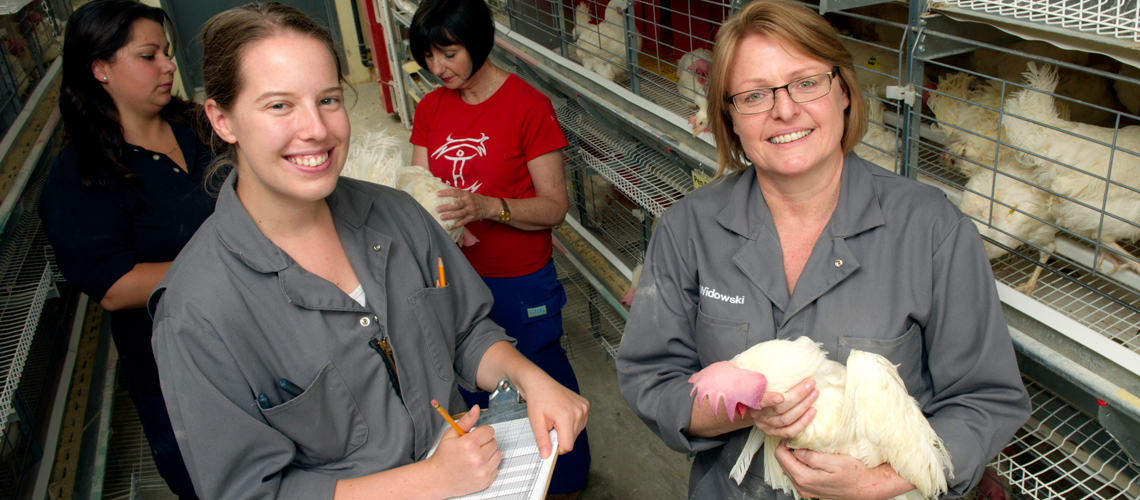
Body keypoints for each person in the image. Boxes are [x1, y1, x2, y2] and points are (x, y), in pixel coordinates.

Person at [147, 4, 588, 499]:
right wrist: (430, 481)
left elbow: (466, 331)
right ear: (222, 120)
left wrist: (529, 376)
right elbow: (248, 492)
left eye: (329, 99)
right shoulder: (196, 312)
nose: (316, 128)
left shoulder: (397, 214)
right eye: (279, 105)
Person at [615, 1, 1031, 498]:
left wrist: (884, 482)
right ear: (729, 118)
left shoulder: (931, 228)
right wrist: (738, 409)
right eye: (753, 95)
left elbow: (986, 397)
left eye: (806, 82)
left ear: (845, 92)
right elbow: (649, 376)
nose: (784, 109)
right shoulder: (689, 228)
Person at [408, 0, 591, 496]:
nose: (436, 68)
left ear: (479, 42)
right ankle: (501, 483)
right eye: (427, 55)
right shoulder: (430, 108)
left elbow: (554, 207)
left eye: (448, 53)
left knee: (540, 377)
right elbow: (418, 185)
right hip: (452, 278)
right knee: (473, 385)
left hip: (518, 280)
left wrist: (489, 208)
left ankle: (565, 478)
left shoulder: (527, 106)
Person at [38, 1, 211, 497]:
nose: (168, 65)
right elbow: (114, 285)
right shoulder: (82, 174)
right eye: (147, 55)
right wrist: (232, 266)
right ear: (100, 69)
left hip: (256, 339)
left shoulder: (198, 127)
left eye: (167, 52)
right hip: (177, 372)